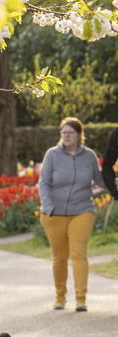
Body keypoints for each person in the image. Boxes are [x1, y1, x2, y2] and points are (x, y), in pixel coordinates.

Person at [38, 117, 105, 312]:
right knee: (60, 256)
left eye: (70, 132)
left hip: (82, 209)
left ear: (79, 135)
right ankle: (60, 296)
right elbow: (43, 183)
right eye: (63, 132)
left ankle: (81, 299)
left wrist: (111, 185)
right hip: (53, 213)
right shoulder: (52, 154)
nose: (66, 136)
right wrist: (48, 205)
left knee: (78, 253)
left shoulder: (89, 156)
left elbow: (100, 179)